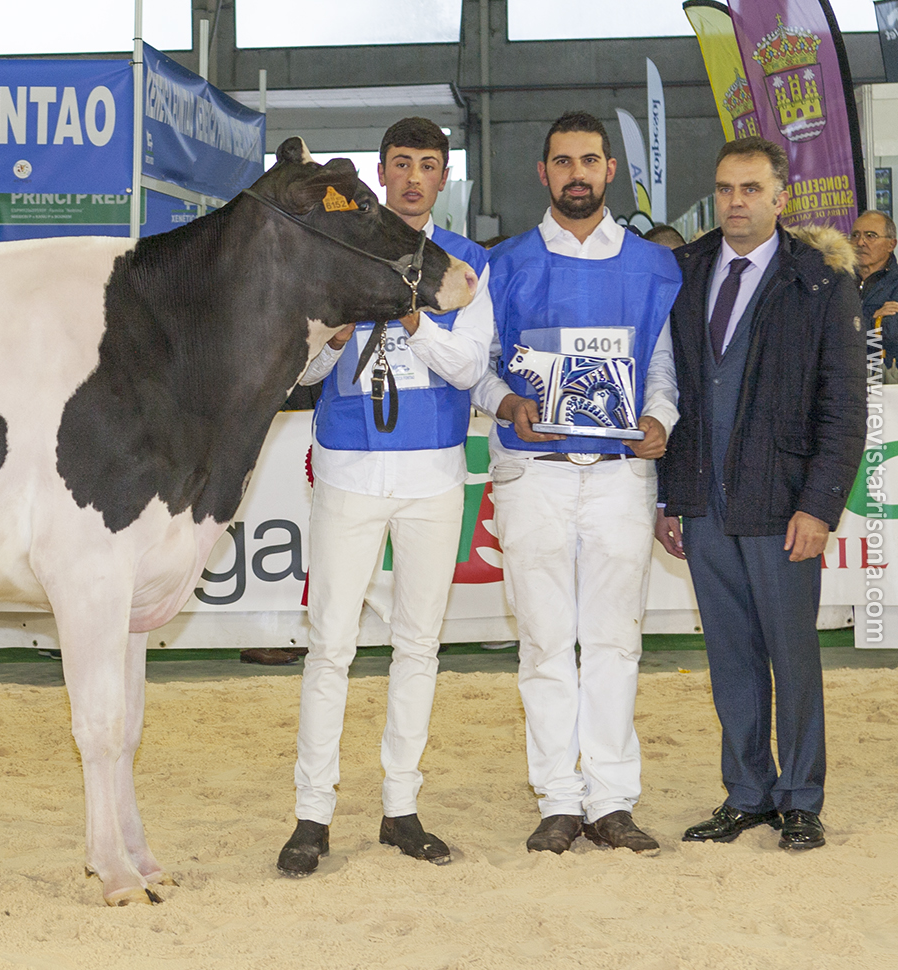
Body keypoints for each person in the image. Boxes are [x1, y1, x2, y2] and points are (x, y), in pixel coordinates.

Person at [276, 117, 495, 875]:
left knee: (418, 646)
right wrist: (330, 342)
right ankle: (312, 815)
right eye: (400, 164)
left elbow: (471, 368)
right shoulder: (337, 249)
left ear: (442, 178)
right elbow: (295, 378)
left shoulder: (465, 263)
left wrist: (414, 321)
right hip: (348, 470)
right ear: (380, 170)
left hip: (434, 472)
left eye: (427, 166)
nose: (412, 178)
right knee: (330, 645)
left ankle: (401, 806)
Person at [470, 111, 680, 856]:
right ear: (544, 174)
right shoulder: (505, 264)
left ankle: (612, 800)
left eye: (589, 160)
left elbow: (661, 364)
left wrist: (659, 415)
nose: (577, 173)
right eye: (563, 161)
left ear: (611, 170)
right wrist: (507, 403)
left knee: (615, 640)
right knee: (546, 640)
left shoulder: (656, 268)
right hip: (534, 474)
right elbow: (478, 364)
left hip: (624, 473)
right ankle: (559, 797)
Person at [656, 137, 864, 852]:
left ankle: (801, 797)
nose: (735, 202)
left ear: (782, 197)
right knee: (731, 656)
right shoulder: (685, 271)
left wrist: (820, 505)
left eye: (750, 189)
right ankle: (747, 792)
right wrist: (669, 496)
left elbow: (844, 405)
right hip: (705, 503)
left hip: (783, 506)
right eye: (724, 189)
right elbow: (673, 386)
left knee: (791, 653)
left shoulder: (820, 281)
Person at [848, 210, 898, 379]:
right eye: (855, 235)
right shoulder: (836, 282)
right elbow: (824, 332)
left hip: (887, 383)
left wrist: (853, 325)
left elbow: (891, 332)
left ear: (891, 244)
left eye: (871, 235)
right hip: (844, 382)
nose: (860, 242)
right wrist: (875, 319)